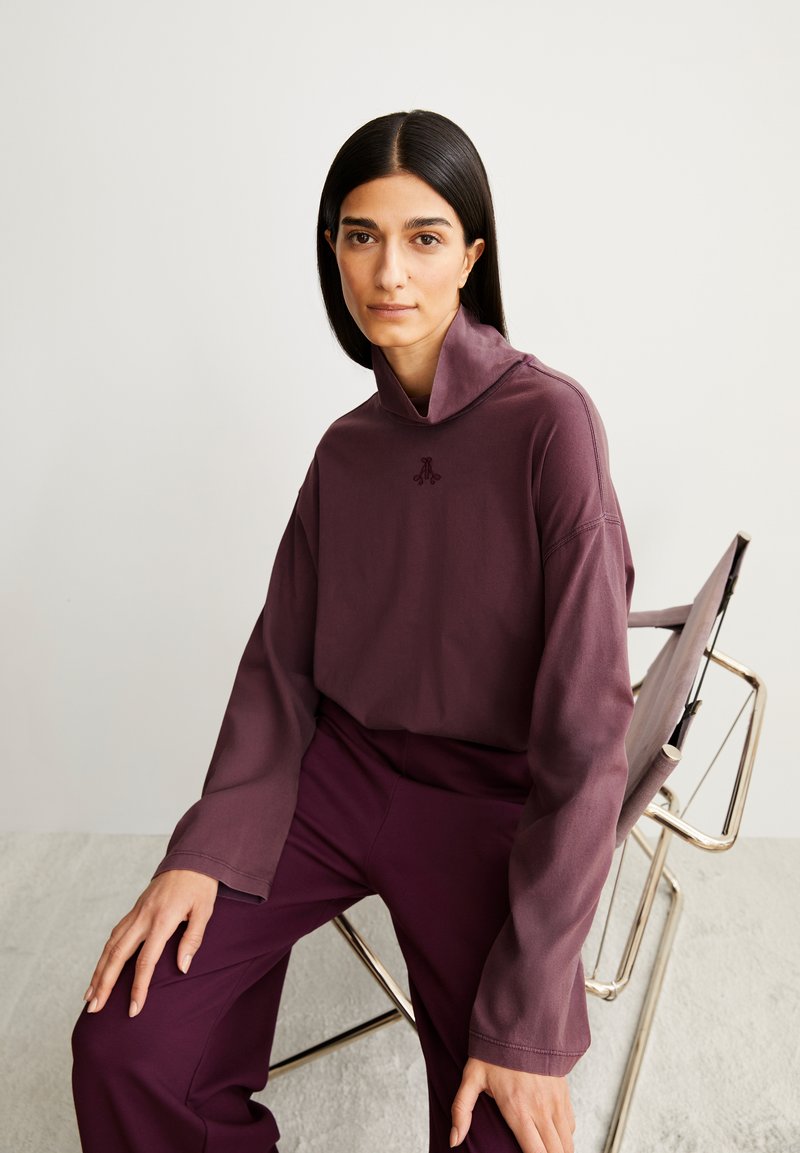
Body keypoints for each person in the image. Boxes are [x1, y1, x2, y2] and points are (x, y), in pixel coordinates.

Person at [71, 109, 635, 1153]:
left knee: (495, 1128)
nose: (389, 271)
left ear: (472, 256)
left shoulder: (551, 425)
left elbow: (589, 734)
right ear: (331, 250)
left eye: (424, 237)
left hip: (487, 802)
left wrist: (525, 1017)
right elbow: (279, 669)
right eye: (361, 236)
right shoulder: (344, 451)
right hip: (335, 782)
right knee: (127, 1044)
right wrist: (203, 851)